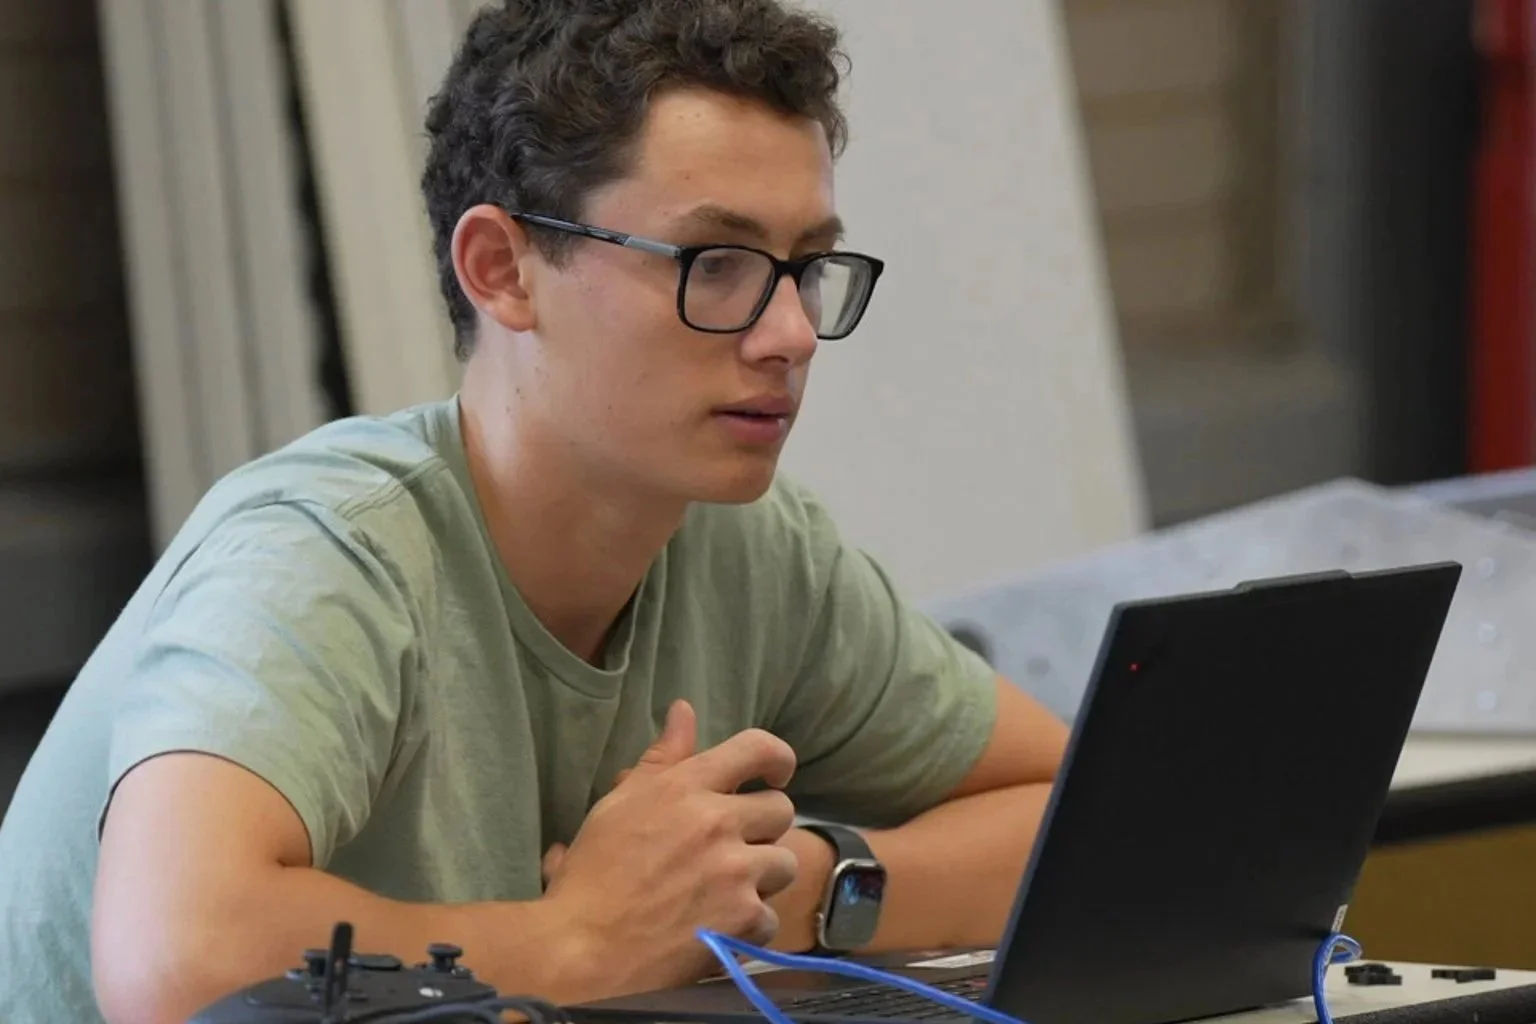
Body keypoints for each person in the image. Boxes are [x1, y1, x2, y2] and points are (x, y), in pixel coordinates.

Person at [0, 1, 1069, 1022]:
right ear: (502, 270)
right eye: (718, 264)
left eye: (804, 268)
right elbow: (176, 962)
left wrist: (799, 892)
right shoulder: (327, 554)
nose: (789, 332)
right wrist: (582, 939)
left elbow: (1075, 813)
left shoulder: (751, 544)